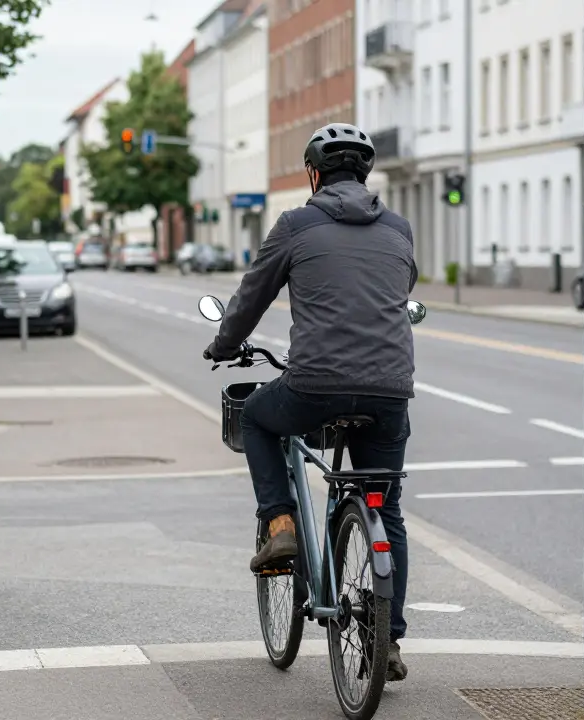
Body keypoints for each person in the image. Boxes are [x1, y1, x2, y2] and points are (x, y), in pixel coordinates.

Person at [202, 122, 417, 682]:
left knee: (256, 417)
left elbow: (253, 295)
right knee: (384, 504)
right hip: (390, 390)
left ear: (314, 174)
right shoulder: (398, 228)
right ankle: (388, 642)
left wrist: (223, 344)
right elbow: (399, 288)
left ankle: (280, 526)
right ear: (365, 174)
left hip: (315, 383)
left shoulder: (296, 224)